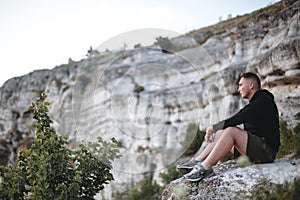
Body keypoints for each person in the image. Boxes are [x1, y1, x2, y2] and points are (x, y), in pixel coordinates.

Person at [177, 72, 280, 182]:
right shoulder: (256, 102)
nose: (238, 89)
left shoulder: (263, 100)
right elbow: (240, 116)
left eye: (241, 85)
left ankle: (205, 168)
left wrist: (214, 127)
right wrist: (218, 129)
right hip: (257, 148)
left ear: (251, 85)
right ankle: (198, 161)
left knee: (231, 130)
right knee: (223, 131)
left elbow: (239, 117)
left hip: (266, 151)